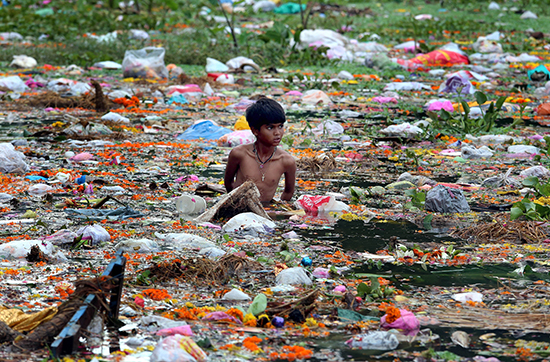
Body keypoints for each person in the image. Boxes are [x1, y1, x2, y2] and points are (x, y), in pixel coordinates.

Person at [224, 97, 296, 203]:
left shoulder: (286, 161)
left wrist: (272, 210)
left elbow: (288, 192)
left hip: (265, 212)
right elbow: (228, 182)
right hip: (240, 209)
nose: (277, 133)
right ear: (255, 130)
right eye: (270, 128)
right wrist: (236, 203)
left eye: (280, 126)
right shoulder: (239, 154)